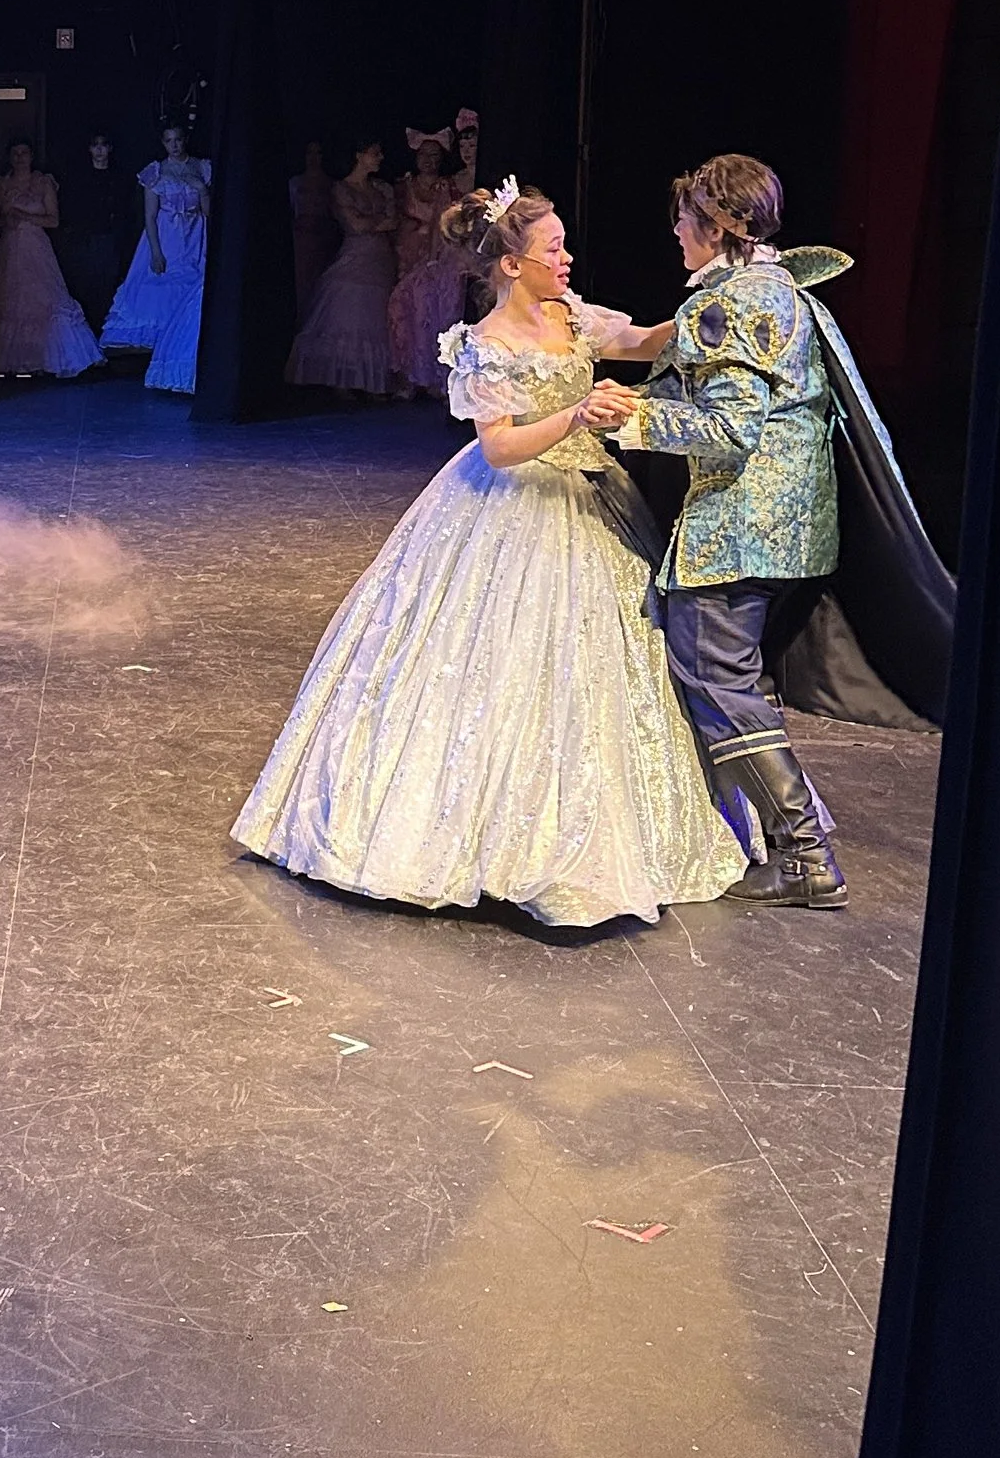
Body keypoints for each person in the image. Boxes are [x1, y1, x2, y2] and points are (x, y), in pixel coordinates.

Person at [234, 180, 741, 929]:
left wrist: (717, 294)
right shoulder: (487, 344)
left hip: (589, 497)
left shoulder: (570, 315)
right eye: (552, 249)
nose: (566, 257)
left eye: (564, 244)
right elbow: (499, 446)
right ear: (510, 265)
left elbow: (641, 341)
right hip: (515, 507)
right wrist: (577, 410)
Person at [609, 153, 848, 907]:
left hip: (742, 526)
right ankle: (769, 841)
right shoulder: (774, 284)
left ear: (718, 226)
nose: (676, 233)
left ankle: (805, 853)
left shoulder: (731, 304)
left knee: (718, 676)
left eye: (685, 220)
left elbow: (731, 427)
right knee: (729, 677)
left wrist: (634, 418)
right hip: (789, 523)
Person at [0, 140, 102, 379]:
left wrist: (23, 216)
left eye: (24, 153)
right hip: (10, 248)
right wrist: (6, 221)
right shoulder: (2, 184)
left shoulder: (43, 182)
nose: (20, 158)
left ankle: (44, 358)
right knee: (7, 299)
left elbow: (53, 220)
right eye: (15, 153)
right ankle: (6, 361)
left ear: (32, 156)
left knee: (42, 301)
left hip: (37, 248)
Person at [100, 123, 214, 393]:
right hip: (167, 237)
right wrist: (155, 251)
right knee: (160, 290)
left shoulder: (202, 167)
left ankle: (182, 353)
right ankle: (161, 356)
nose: (174, 145)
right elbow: (150, 216)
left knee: (190, 292)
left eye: (177, 140)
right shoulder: (156, 172)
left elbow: (209, 211)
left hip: (194, 236)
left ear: (184, 140)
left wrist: (201, 190)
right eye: (168, 141)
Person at [283, 140, 399, 395]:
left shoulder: (382, 188)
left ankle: (372, 384)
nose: (380, 157)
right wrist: (374, 221)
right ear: (359, 156)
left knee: (377, 320)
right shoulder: (341, 188)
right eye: (374, 153)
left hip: (380, 260)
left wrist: (370, 221)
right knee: (348, 317)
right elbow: (354, 226)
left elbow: (392, 221)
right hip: (354, 258)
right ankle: (342, 381)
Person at [386, 125, 468, 397]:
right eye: (425, 154)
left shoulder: (447, 186)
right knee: (403, 312)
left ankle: (432, 377)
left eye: (435, 154)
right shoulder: (403, 186)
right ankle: (407, 376)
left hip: (437, 257)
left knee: (431, 315)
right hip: (406, 255)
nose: (430, 160)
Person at [66, 130, 129, 329]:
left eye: (103, 144)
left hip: (110, 240)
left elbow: (125, 210)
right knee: (87, 285)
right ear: (89, 149)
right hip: (86, 239)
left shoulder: (119, 178)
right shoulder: (79, 179)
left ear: (110, 148)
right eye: (95, 145)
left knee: (108, 284)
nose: (100, 150)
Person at [288, 140, 340, 320]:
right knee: (301, 285)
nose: (313, 158)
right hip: (301, 241)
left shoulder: (331, 185)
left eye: (317, 153)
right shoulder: (295, 183)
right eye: (309, 153)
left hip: (323, 240)